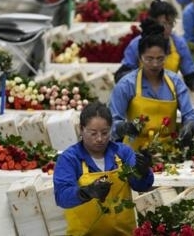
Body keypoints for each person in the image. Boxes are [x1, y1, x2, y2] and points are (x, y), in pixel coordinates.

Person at [53, 101, 154, 235]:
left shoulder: (123, 152)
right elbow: (62, 196)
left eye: (105, 133)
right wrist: (86, 192)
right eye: (93, 133)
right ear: (81, 129)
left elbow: (140, 186)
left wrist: (142, 172)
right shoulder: (70, 159)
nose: (100, 139)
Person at [109, 18, 194, 152]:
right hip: (134, 155)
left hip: (169, 153)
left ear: (166, 56)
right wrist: (122, 127)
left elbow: (190, 114)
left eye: (160, 59)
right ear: (140, 57)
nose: (155, 64)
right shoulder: (127, 84)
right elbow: (111, 122)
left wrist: (191, 126)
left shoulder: (175, 82)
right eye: (149, 59)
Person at [115, 0, 194, 105]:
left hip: (169, 101)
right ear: (153, 22)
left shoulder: (178, 44)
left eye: (171, 23)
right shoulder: (137, 44)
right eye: (164, 24)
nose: (168, 28)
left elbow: (191, 76)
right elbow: (121, 75)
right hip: (140, 100)